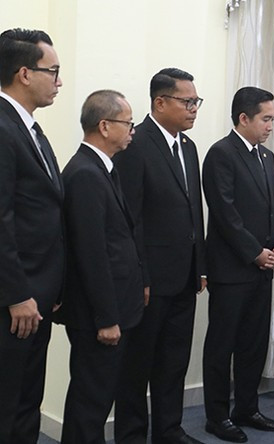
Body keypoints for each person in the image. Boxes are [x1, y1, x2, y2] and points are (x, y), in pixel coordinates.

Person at [113, 68, 207, 444]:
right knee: (137, 365)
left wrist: (201, 266)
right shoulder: (136, 144)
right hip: (150, 279)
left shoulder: (189, 147)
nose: (194, 109)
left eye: (196, 101)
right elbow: (129, 216)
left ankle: (169, 430)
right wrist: (142, 276)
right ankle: (132, 435)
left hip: (185, 275)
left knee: (173, 362)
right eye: (187, 101)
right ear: (160, 102)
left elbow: (193, 211)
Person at [59, 90, 145, 443]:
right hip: (98, 315)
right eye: (128, 123)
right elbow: (91, 254)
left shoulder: (103, 169)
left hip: (117, 306)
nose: (132, 131)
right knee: (90, 402)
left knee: (99, 396)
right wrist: (107, 318)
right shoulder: (85, 174)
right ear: (105, 125)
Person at [202, 87, 274, 443]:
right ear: (244, 118)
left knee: (253, 343)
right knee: (223, 344)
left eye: (272, 119)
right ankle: (216, 416)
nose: (270, 126)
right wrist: (255, 252)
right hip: (232, 269)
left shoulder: (266, 157)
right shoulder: (221, 154)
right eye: (266, 118)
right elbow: (225, 214)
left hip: (263, 268)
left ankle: (247, 408)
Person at [0, 28, 66, 444]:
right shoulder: (3, 129)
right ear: (25, 73)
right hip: (16, 299)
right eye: (53, 71)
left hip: (39, 293)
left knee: (27, 399)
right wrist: (16, 293)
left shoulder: (31, 130)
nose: (59, 81)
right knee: (8, 402)